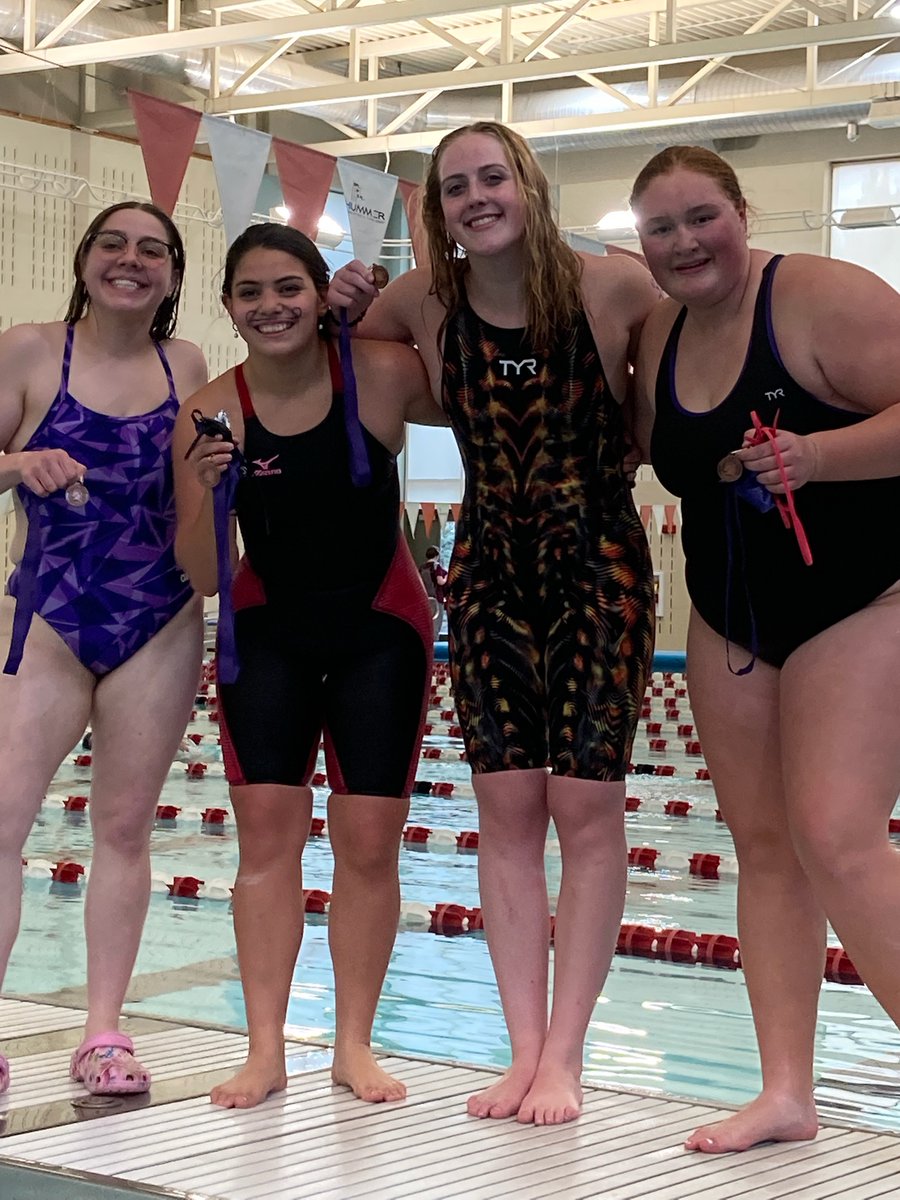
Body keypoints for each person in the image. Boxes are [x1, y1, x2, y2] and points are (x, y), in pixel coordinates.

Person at [329, 121, 659, 1125]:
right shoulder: (424, 298)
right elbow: (360, 352)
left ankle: (567, 1056)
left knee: (589, 818)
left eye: (492, 175)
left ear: (528, 181)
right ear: (438, 207)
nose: (477, 196)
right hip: (483, 582)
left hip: (598, 573)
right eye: (456, 185)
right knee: (505, 816)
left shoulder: (615, 287)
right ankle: (522, 1050)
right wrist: (342, 302)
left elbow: (678, 394)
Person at [630, 144, 900, 1153]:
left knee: (839, 837)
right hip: (732, 615)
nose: (685, 241)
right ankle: (786, 1091)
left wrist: (819, 455)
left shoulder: (822, 298)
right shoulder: (658, 330)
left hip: (866, 596)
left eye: (703, 216)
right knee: (766, 849)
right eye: (661, 227)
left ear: (743, 213)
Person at [174, 222, 444, 1110]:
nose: (270, 306)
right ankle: (264, 1050)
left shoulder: (379, 373)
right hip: (269, 633)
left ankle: (354, 1044)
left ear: (320, 292)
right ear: (229, 308)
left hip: (381, 630)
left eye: (288, 287)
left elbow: (466, 368)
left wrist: (385, 311)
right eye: (250, 293)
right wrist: (208, 490)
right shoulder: (212, 408)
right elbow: (206, 573)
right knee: (266, 847)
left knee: (369, 845)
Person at [0, 201, 207, 1096]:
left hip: (157, 618)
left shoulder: (186, 364)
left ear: (171, 275)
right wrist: (18, 463)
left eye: (152, 250)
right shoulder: (32, 349)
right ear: (86, 260)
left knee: (124, 829)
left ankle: (105, 1035)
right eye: (114, 245)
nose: (132, 260)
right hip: (50, 614)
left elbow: (192, 496)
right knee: (3, 824)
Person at [418, 545, 447, 639]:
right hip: (437, 598)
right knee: (436, 623)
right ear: (437, 555)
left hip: (425, 598)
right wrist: (447, 577)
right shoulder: (436, 566)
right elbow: (440, 581)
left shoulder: (422, 567)